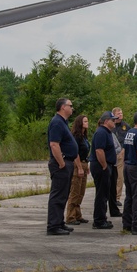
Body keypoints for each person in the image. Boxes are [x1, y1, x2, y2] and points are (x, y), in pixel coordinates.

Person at [46, 98, 78, 236]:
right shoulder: (57, 123)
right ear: (63, 107)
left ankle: (59, 222)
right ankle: (53, 226)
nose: (72, 108)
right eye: (70, 106)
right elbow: (54, 144)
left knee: (64, 195)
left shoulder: (63, 123)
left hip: (67, 163)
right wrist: (61, 163)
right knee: (58, 195)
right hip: (61, 164)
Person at [89, 111, 119, 229]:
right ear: (106, 121)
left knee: (105, 194)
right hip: (101, 166)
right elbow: (99, 151)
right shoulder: (101, 132)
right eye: (113, 120)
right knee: (101, 194)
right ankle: (99, 220)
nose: (115, 122)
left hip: (106, 165)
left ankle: (102, 218)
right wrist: (105, 166)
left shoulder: (107, 132)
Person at [64, 114, 90, 225]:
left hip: (84, 163)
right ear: (80, 123)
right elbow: (76, 153)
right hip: (77, 164)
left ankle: (77, 214)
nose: (87, 123)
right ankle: (70, 216)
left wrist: (86, 166)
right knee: (75, 191)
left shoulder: (84, 136)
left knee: (81, 191)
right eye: (85, 121)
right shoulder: (76, 136)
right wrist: (79, 167)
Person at [112, 107, 130, 203]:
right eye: (118, 113)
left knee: (120, 177)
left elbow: (128, 140)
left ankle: (117, 197)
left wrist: (124, 150)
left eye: (121, 113)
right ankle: (110, 196)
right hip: (111, 153)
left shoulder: (126, 126)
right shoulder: (111, 125)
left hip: (121, 153)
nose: (120, 115)